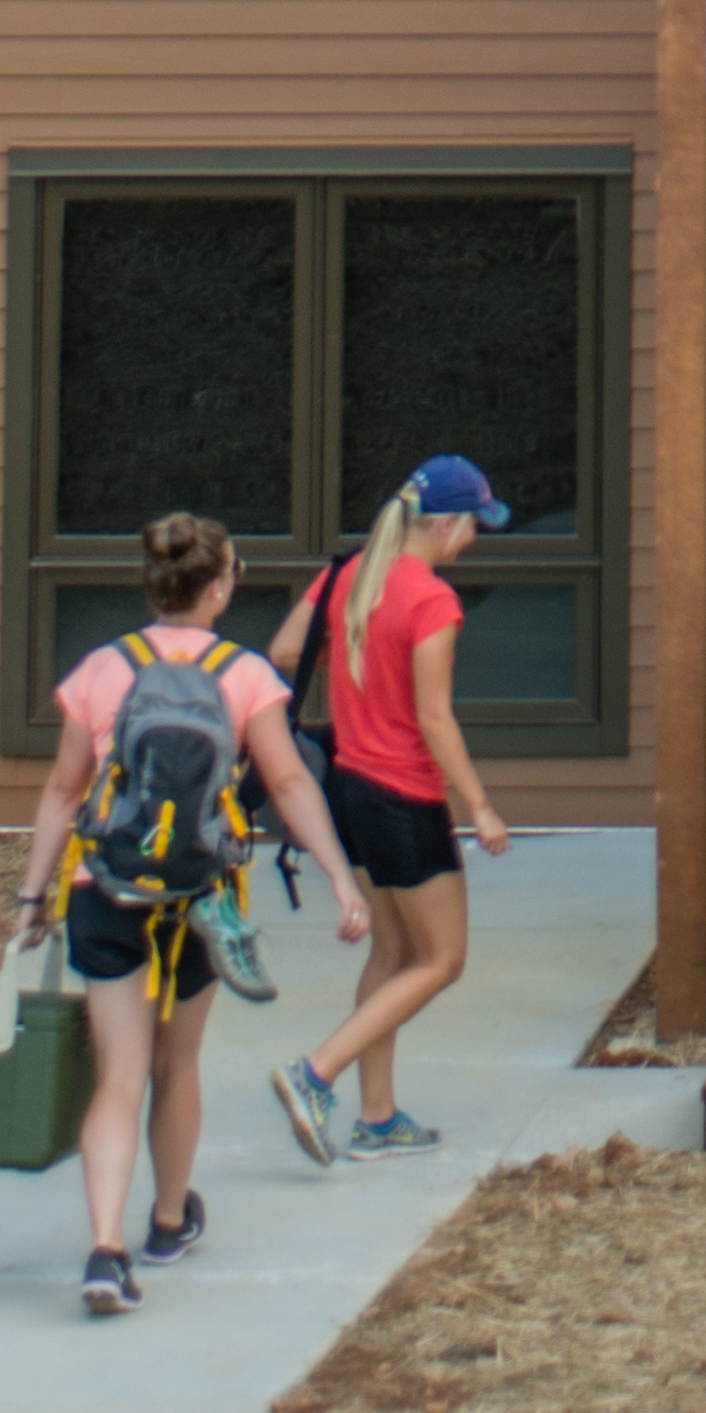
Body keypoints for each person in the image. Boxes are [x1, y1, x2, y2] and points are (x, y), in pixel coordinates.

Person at [11, 509, 366, 1318]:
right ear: (218, 585)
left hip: (107, 891)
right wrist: (340, 876)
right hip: (205, 898)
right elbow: (288, 783)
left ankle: (106, 1251)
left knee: (120, 1075)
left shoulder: (102, 669)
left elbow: (65, 792)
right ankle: (168, 1222)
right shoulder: (244, 675)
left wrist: (33, 894)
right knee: (179, 1065)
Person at [268, 455, 510, 1164]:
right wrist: (482, 806)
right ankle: (315, 1073)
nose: (471, 541)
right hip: (405, 798)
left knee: (394, 950)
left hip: (349, 789)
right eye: (471, 526)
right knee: (443, 958)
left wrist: (354, 654)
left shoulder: (347, 574)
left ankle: (377, 1119)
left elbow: (286, 648)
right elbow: (435, 719)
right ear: (444, 522)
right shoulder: (431, 599)